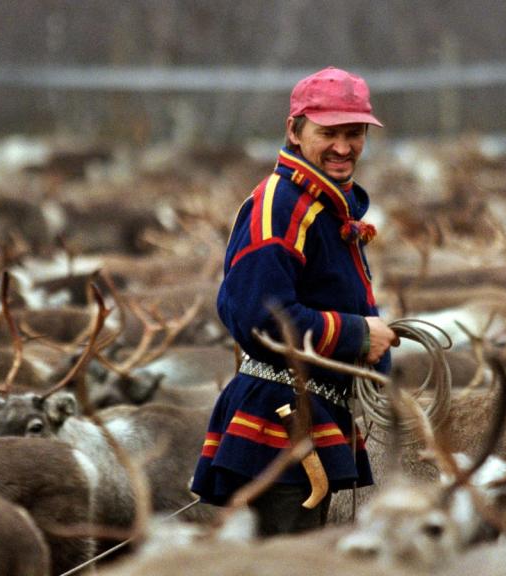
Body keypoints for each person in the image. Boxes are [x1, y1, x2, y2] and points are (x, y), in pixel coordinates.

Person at [191, 66, 398, 535]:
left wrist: (371, 357)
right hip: (280, 424)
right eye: (328, 133)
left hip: (309, 413)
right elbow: (260, 320)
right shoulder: (281, 205)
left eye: (354, 133)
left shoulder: (325, 204)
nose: (343, 147)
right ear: (295, 130)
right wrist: (359, 334)